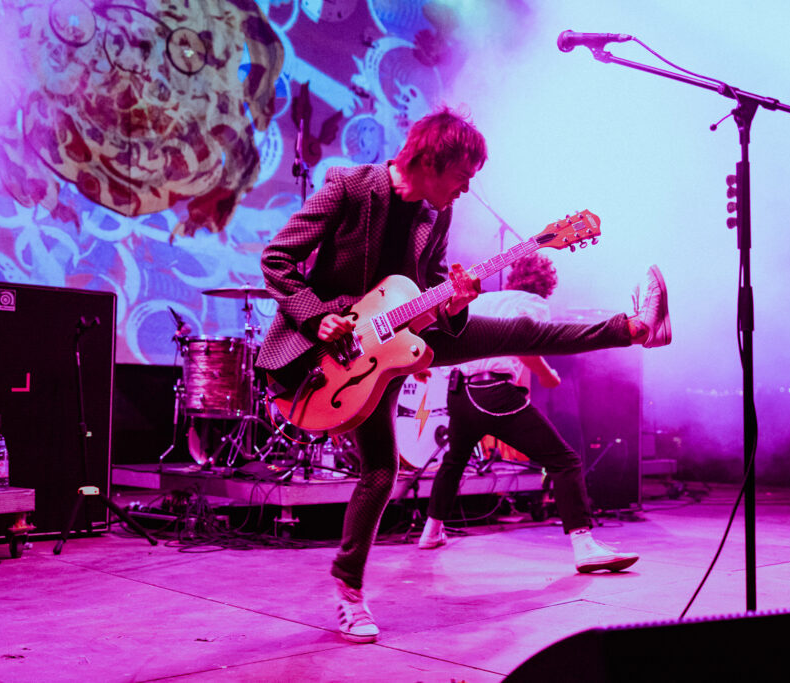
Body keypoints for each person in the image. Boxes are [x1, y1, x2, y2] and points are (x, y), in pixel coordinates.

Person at [257, 107, 670, 644]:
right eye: (464, 172)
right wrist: (318, 317)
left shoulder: (436, 216)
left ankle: (635, 327)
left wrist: (456, 300)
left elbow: (429, 292)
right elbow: (277, 260)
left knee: (519, 330)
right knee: (380, 472)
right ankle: (350, 593)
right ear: (432, 160)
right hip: (329, 354)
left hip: (406, 336)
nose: (468, 186)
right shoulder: (349, 187)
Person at [418, 253, 640, 576]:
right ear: (547, 285)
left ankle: (431, 532)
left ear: (513, 276)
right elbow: (525, 344)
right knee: (564, 460)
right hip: (491, 392)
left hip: (458, 392)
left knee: (454, 461)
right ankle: (584, 546)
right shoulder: (534, 304)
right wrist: (547, 374)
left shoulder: (488, 298)